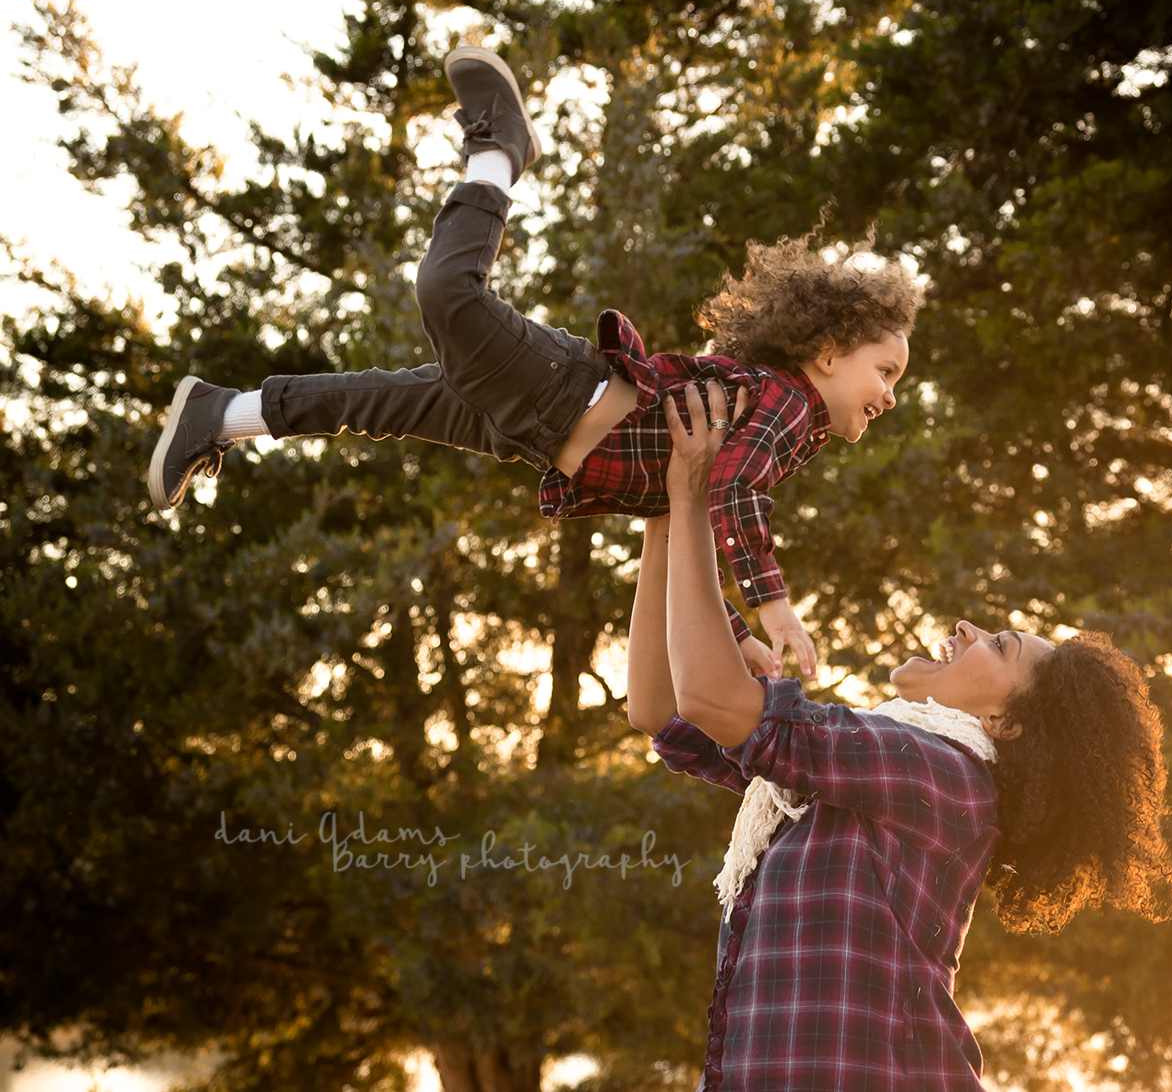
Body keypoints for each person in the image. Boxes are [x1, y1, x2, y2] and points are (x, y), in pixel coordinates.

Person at [146, 46, 920, 676]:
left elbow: (690, 525)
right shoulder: (785, 407)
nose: (889, 395)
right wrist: (772, 606)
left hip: (533, 432)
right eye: (885, 372)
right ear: (826, 354)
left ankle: (223, 414)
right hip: (562, 394)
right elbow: (733, 493)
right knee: (448, 293)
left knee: (376, 402)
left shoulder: (783, 437)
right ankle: (499, 152)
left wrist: (733, 633)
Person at [627, 383, 1172, 1091]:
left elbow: (710, 695)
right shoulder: (868, 767)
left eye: (999, 646)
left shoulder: (945, 776)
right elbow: (660, 707)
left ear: (1007, 725)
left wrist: (693, 498)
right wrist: (665, 519)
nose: (967, 630)